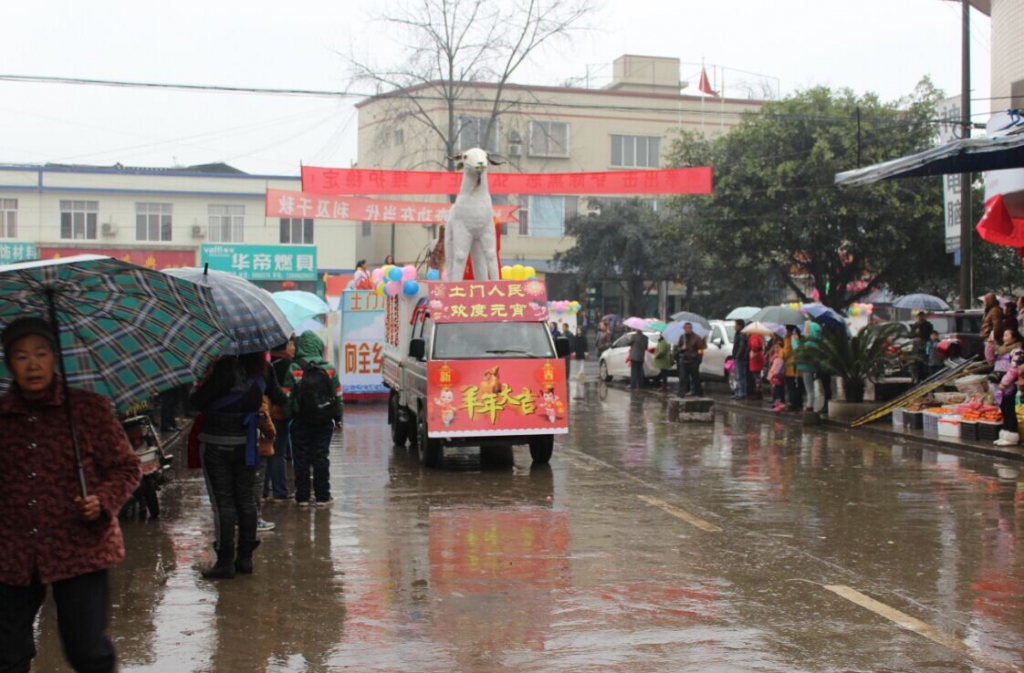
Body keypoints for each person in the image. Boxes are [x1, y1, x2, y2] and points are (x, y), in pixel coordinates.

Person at [0, 317, 142, 672]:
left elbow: (127, 467)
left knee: (88, 651)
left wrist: (103, 500)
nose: (32, 364)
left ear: (55, 358)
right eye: (20, 356)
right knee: (7, 653)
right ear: (9, 364)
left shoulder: (87, 409)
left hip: (81, 546)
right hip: (11, 551)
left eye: (41, 353)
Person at [190, 351, 287, 579]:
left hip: (215, 444)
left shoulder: (221, 367)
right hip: (247, 444)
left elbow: (196, 402)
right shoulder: (263, 368)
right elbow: (281, 398)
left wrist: (198, 384)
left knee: (223, 502)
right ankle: (245, 559)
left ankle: (224, 562)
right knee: (246, 500)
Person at [283, 331, 343, 508]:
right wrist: (338, 416)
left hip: (300, 420)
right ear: (318, 346)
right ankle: (323, 496)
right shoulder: (329, 368)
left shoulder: (294, 368)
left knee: (300, 458)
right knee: (321, 456)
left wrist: (288, 416)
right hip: (324, 421)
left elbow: (287, 396)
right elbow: (338, 395)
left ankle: (302, 497)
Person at [265, 338, 296, 502]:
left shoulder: (262, 364)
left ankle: (262, 491)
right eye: (290, 344)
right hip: (279, 415)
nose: (293, 347)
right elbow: (286, 395)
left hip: (262, 415)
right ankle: (280, 491)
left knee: (263, 453)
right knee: (278, 453)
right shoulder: (289, 365)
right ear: (284, 345)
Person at [994, 348, 1024, 446]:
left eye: (1007, 335)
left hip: (1009, 386)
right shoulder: (1002, 349)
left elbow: (1014, 369)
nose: (1004, 338)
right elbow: (990, 358)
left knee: (1009, 411)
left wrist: (1004, 382)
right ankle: (1006, 434)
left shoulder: (1017, 351)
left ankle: (1012, 435)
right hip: (1003, 385)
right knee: (1004, 410)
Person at [676, 322, 704, 397]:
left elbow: (700, 350)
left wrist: (699, 360)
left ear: (691, 328)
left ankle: (699, 393)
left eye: (689, 328)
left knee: (695, 378)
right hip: (684, 360)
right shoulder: (682, 337)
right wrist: (681, 348)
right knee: (682, 378)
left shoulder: (696, 338)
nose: (687, 330)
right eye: (685, 328)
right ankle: (681, 393)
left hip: (693, 360)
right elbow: (677, 349)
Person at [912, 312, 934, 382]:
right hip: (917, 346)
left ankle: (925, 377)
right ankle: (917, 378)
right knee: (917, 363)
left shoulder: (928, 325)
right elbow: (911, 334)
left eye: (922, 316)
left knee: (924, 363)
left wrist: (921, 331)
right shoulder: (915, 325)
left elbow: (929, 334)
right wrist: (915, 333)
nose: (921, 318)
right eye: (919, 316)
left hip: (924, 345)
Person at [731, 320, 750, 400]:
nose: (734, 326)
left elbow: (742, 346)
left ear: (740, 326)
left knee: (740, 376)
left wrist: (737, 356)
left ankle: (742, 393)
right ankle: (738, 392)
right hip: (737, 357)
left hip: (740, 358)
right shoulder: (737, 333)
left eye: (735, 325)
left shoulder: (742, 334)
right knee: (737, 376)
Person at [748, 331, 766, 400]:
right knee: (758, 376)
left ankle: (758, 392)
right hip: (759, 356)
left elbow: (754, 346)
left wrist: (753, 350)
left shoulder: (754, 336)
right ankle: (759, 391)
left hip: (756, 358)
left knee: (756, 377)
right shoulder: (759, 336)